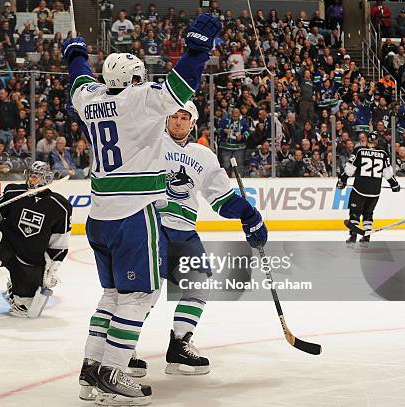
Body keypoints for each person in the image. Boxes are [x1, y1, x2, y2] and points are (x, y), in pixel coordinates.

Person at [64, 12, 222, 406]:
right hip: (134, 214)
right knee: (138, 295)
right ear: (134, 80)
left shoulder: (88, 99)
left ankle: (92, 366)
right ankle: (114, 373)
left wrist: (74, 55)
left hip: (98, 216)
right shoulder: (140, 100)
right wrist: (197, 49)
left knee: (112, 295)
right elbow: (180, 85)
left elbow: (79, 77)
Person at [157, 101, 267, 375]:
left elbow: (222, 200)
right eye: (174, 116)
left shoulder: (203, 156)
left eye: (185, 118)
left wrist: (250, 215)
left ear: (192, 123)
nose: (179, 122)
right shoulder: (150, 144)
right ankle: (123, 351)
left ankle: (180, 344)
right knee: (142, 292)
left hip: (183, 230)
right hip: (151, 226)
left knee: (199, 283)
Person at [0, 161, 72, 316]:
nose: (31, 178)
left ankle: (15, 287)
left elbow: (60, 240)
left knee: (25, 309)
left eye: (36, 176)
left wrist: (52, 268)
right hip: (5, 246)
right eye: (30, 175)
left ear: (45, 178)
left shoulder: (60, 206)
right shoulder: (13, 193)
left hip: (30, 258)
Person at [337, 131, 400, 246]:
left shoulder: (359, 151)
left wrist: (343, 180)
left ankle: (353, 237)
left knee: (355, 213)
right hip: (375, 191)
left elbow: (350, 170)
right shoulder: (383, 153)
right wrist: (394, 185)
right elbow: (388, 174)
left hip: (359, 189)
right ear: (376, 141)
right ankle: (366, 238)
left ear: (366, 140)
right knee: (368, 214)